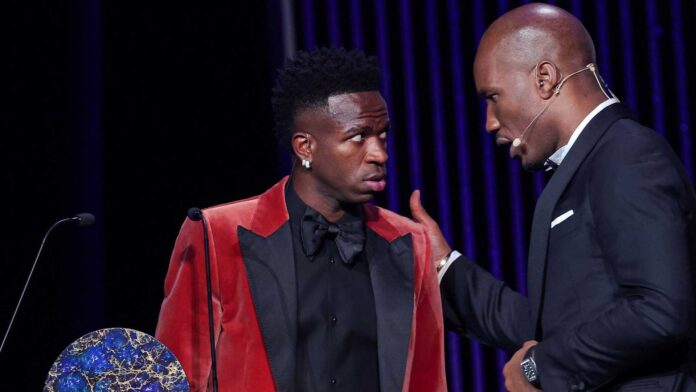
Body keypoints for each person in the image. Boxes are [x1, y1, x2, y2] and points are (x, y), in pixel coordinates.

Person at [411, 3, 696, 391]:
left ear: (544, 78)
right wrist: (444, 265)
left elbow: (661, 311)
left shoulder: (625, 154)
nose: (490, 122)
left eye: (493, 96)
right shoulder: (591, 164)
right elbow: (552, 327)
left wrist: (539, 366)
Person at [155, 47, 446, 392]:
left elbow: (427, 381)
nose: (379, 154)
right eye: (359, 137)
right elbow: (174, 378)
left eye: (383, 135)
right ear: (305, 147)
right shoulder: (216, 235)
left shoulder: (411, 243)